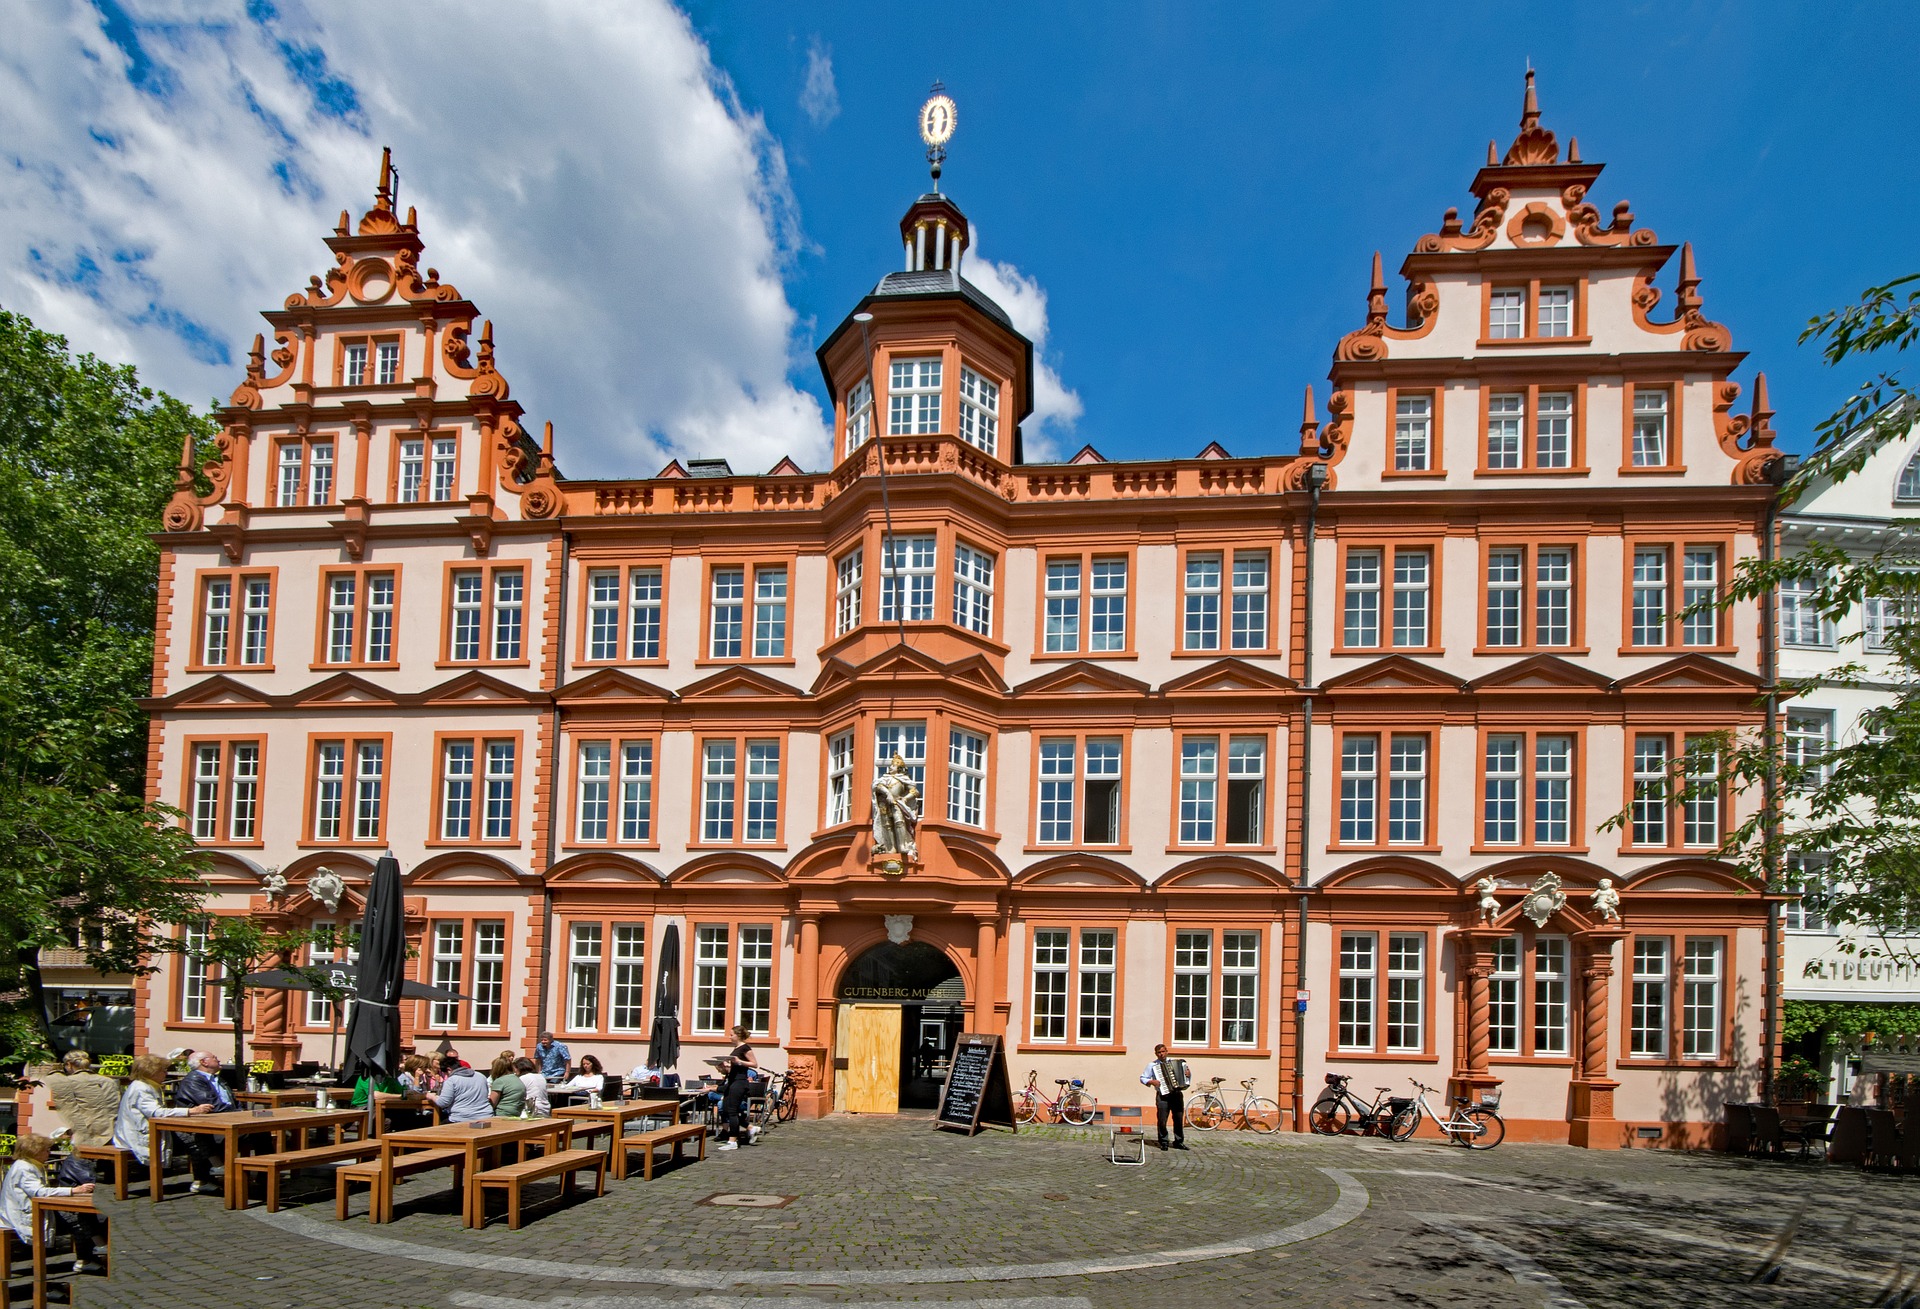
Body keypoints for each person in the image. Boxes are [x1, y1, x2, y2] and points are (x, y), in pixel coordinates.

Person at [2, 1135, 102, 1274]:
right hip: (24, 1215)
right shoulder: (25, 1169)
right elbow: (39, 1192)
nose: (48, 1153)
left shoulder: (28, 1165)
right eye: (46, 1150)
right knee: (77, 1220)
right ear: (35, 1151)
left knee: (77, 1216)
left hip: (31, 1210)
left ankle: (90, 1254)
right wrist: (73, 1190)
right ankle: (86, 1258)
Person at [114, 1054, 213, 1186]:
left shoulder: (148, 1085)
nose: (166, 1073)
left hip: (149, 1131)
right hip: (139, 1135)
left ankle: (206, 1176)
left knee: (194, 1139)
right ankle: (203, 1181)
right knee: (195, 1142)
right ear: (152, 1072)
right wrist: (190, 1111)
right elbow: (157, 1112)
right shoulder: (142, 1088)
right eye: (163, 1070)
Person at [173, 1050, 237, 1192]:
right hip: (206, 1126)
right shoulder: (193, 1080)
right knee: (256, 1133)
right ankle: (216, 1174)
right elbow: (213, 1106)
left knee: (260, 1131)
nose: (218, 1059)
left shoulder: (217, 1079)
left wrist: (241, 1113)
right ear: (204, 1062)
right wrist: (239, 1114)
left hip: (226, 1121)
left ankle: (263, 1176)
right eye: (214, 1057)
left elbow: (233, 1102)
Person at [44, 1051, 120, 1148]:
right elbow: (115, 1109)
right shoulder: (109, 1082)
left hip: (86, 1136)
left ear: (69, 1065)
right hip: (111, 1134)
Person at [1140, 1044, 1192, 1151]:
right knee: (1162, 1119)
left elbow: (1186, 1075)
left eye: (1163, 1052)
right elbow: (1143, 1078)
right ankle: (1163, 1141)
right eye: (1159, 1052)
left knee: (1178, 1119)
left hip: (1176, 1094)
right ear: (1156, 1054)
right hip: (1163, 1095)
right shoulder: (1152, 1065)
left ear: (1167, 1052)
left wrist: (1188, 1074)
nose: (1161, 1054)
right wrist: (1151, 1081)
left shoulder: (1177, 1063)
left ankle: (1179, 1141)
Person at [716, 1026, 758, 1151]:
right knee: (726, 1109)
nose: (730, 1037)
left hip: (739, 1082)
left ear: (738, 1035)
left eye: (731, 1035)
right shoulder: (736, 1048)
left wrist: (739, 1061)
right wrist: (726, 1065)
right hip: (732, 1081)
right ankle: (750, 1128)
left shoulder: (745, 1048)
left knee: (732, 1111)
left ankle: (732, 1141)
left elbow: (754, 1064)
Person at [432, 1054, 494, 1123]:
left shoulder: (452, 1080)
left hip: (462, 1118)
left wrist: (432, 1097)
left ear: (449, 1070)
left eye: (446, 1073)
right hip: (486, 1115)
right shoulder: (480, 1076)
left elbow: (443, 1103)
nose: (447, 1076)